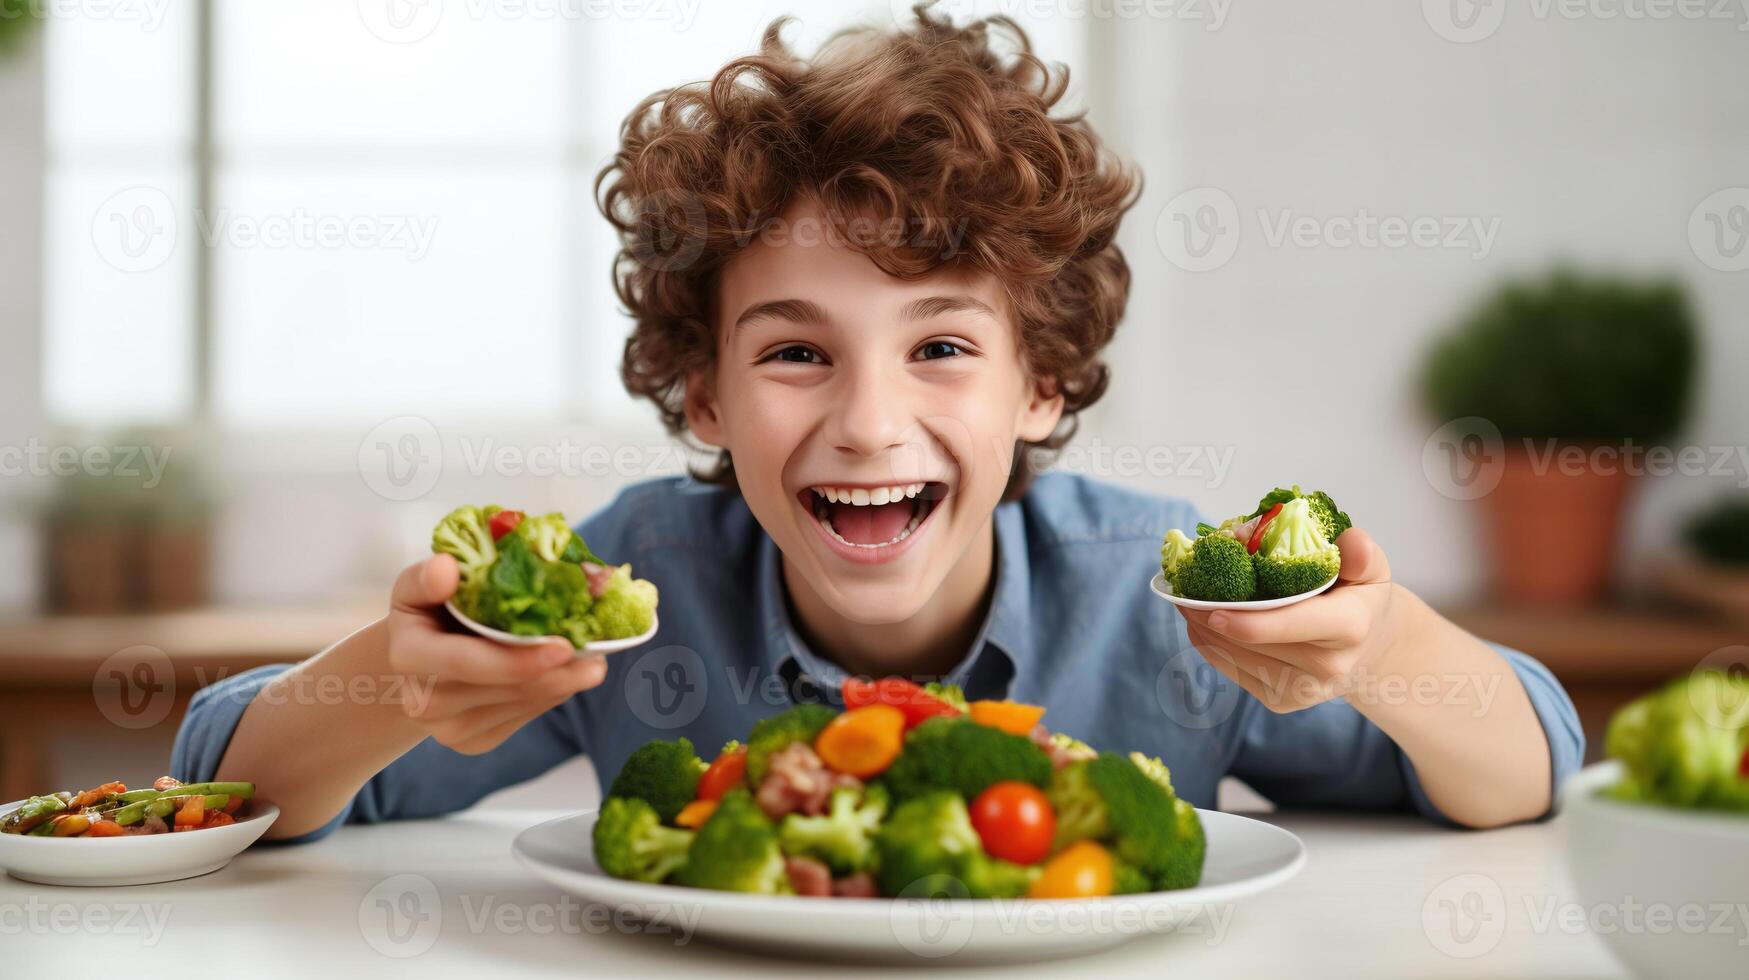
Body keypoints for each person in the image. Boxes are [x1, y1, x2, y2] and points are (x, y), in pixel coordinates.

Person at [172, 9, 1581, 841]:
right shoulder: (636, 588)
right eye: (795, 352)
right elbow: (227, 789)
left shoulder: (1154, 602)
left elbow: (1523, 773)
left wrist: (1380, 643)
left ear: (1042, 383)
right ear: (704, 390)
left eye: (943, 347)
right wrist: (387, 681)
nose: (866, 420)